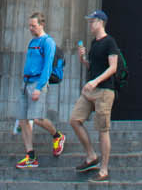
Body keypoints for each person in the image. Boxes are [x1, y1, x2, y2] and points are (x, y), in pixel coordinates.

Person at [66, 10, 120, 183]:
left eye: (92, 21)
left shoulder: (110, 42)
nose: (89, 25)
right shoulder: (94, 43)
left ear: (101, 22)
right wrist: (83, 60)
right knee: (75, 119)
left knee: (103, 130)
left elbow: (113, 68)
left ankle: (104, 170)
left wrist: (95, 82)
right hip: (91, 90)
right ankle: (91, 156)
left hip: (104, 90)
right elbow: (93, 67)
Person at [15, 11, 63, 167]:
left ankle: (57, 135)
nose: (30, 28)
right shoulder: (32, 42)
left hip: (37, 83)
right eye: (29, 25)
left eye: (33, 26)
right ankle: (30, 155)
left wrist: (40, 87)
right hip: (26, 82)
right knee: (23, 120)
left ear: (41, 25)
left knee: (37, 118)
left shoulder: (48, 42)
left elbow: (48, 66)